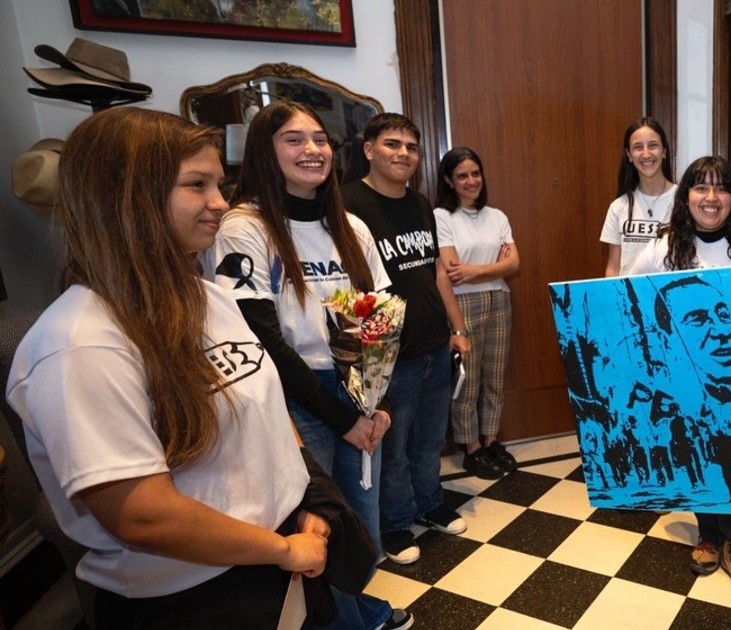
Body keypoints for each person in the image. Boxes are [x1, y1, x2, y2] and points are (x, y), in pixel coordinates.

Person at [4, 107, 411, 629]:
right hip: (194, 598)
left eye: (218, 184)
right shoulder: (78, 344)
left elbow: (267, 410)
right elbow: (143, 515)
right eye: (197, 185)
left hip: (274, 565)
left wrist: (308, 500)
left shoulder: (208, 299)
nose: (220, 203)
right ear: (127, 197)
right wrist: (283, 549)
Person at [207, 101, 412, 629]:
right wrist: (342, 419)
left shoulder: (351, 227)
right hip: (294, 397)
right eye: (294, 140)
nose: (313, 150)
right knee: (313, 529)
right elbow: (261, 338)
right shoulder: (244, 226)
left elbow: (380, 320)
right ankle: (343, 620)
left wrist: (379, 401)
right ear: (264, 149)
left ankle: (353, 607)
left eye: (320, 139)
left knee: (359, 528)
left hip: (359, 389)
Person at [628, 155, 731, 601]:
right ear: (687, 197)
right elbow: (629, 292)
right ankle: (710, 533)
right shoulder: (663, 248)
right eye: (701, 187)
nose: (711, 197)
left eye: (722, 187)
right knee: (702, 453)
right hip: (690, 385)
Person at [342, 113, 471, 567]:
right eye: (392, 144)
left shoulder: (420, 204)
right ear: (369, 149)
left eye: (411, 147)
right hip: (388, 352)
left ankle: (429, 504)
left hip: (434, 342)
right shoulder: (347, 204)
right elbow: (349, 288)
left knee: (430, 438)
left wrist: (457, 329)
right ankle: (395, 524)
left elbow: (437, 272)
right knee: (392, 446)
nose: (403, 153)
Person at [433, 147, 521, 479]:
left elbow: (515, 264)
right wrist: (495, 268)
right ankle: (471, 448)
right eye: (462, 176)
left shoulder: (497, 216)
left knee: (494, 377)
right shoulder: (442, 217)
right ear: (449, 181)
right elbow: (452, 271)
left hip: (499, 300)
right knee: (467, 381)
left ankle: (490, 440)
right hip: (463, 305)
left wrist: (476, 270)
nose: (471, 181)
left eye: (475, 173)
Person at [600, 117, 677, 276]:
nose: (646, 154)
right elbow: (613, 267)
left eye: (653, 145)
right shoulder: (618, 207)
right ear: (629, 155)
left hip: (670, 290)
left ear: (664, 151)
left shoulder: (684, 201)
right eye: (638, 147)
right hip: (629, 292)